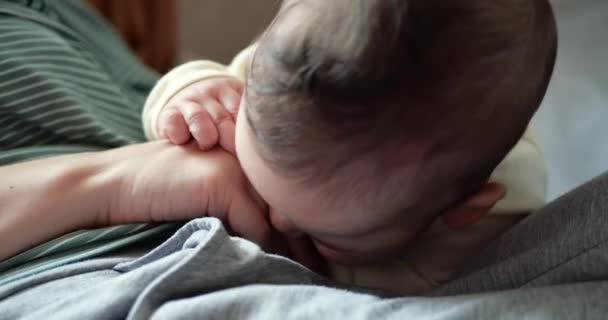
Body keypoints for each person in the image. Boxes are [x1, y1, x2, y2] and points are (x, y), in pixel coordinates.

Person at [142, 0, 556, 293]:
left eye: (326, 237)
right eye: (256, 174)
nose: (278, 221)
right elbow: (217, 81)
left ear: (462, 211)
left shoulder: (479, 237)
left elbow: (395, 295)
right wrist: (189, 92)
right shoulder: (293, 76)